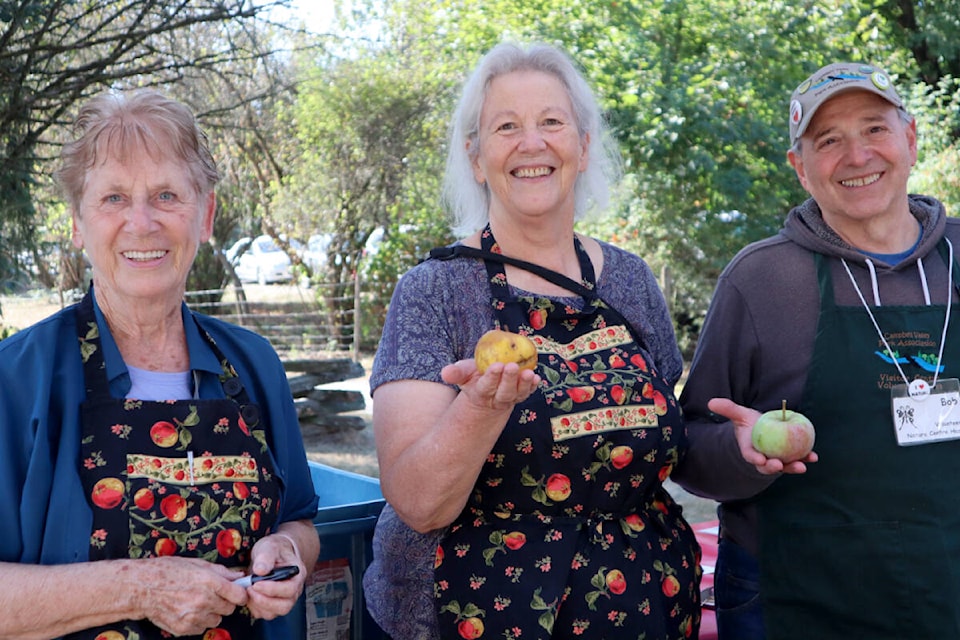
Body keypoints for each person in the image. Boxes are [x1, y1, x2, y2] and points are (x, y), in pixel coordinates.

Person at [362, 41, 701, 639]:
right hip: (469, 617)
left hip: (645, 609)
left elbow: (663, 440)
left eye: (551, 122)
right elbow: (418, 502)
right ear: (475, 156)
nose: (532, 143)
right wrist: (481, 408)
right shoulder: (434, 291)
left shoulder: (631, 280)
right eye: (506, 126)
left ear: (583, 144)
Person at [0, 90, 320, 639]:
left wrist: (289, 550)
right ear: (78, 224)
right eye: (114, 198)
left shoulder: (252, 364)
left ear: (206, 215)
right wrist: (141, 587)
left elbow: (300, 518)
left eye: (167, 195)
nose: (142, 222)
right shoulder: (18, 379)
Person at [674, 61, 960, 639]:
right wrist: (741, 451)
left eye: (874, 129)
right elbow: (689, 445)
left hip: (948, 586)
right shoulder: (763, 280)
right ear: (800, 168)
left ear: (909, 138)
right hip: (795, 599)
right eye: (829, 141)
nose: (857, 156)